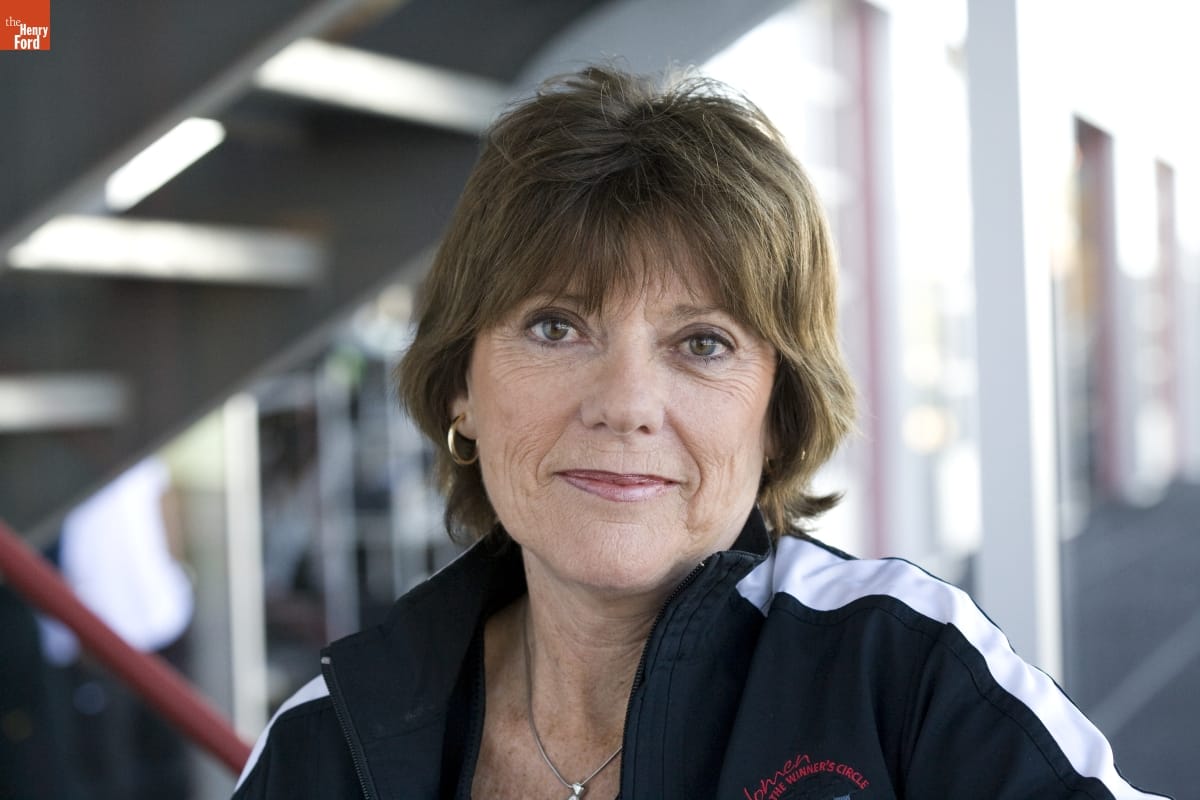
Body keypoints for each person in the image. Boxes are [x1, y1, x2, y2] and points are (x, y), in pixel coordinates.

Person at [233, 66, 1168, 799]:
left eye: (703, 342)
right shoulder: (330, 738)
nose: (627, 402)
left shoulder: (902, 671)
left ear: (778, 411)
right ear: (461, 392)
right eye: (557, 326)